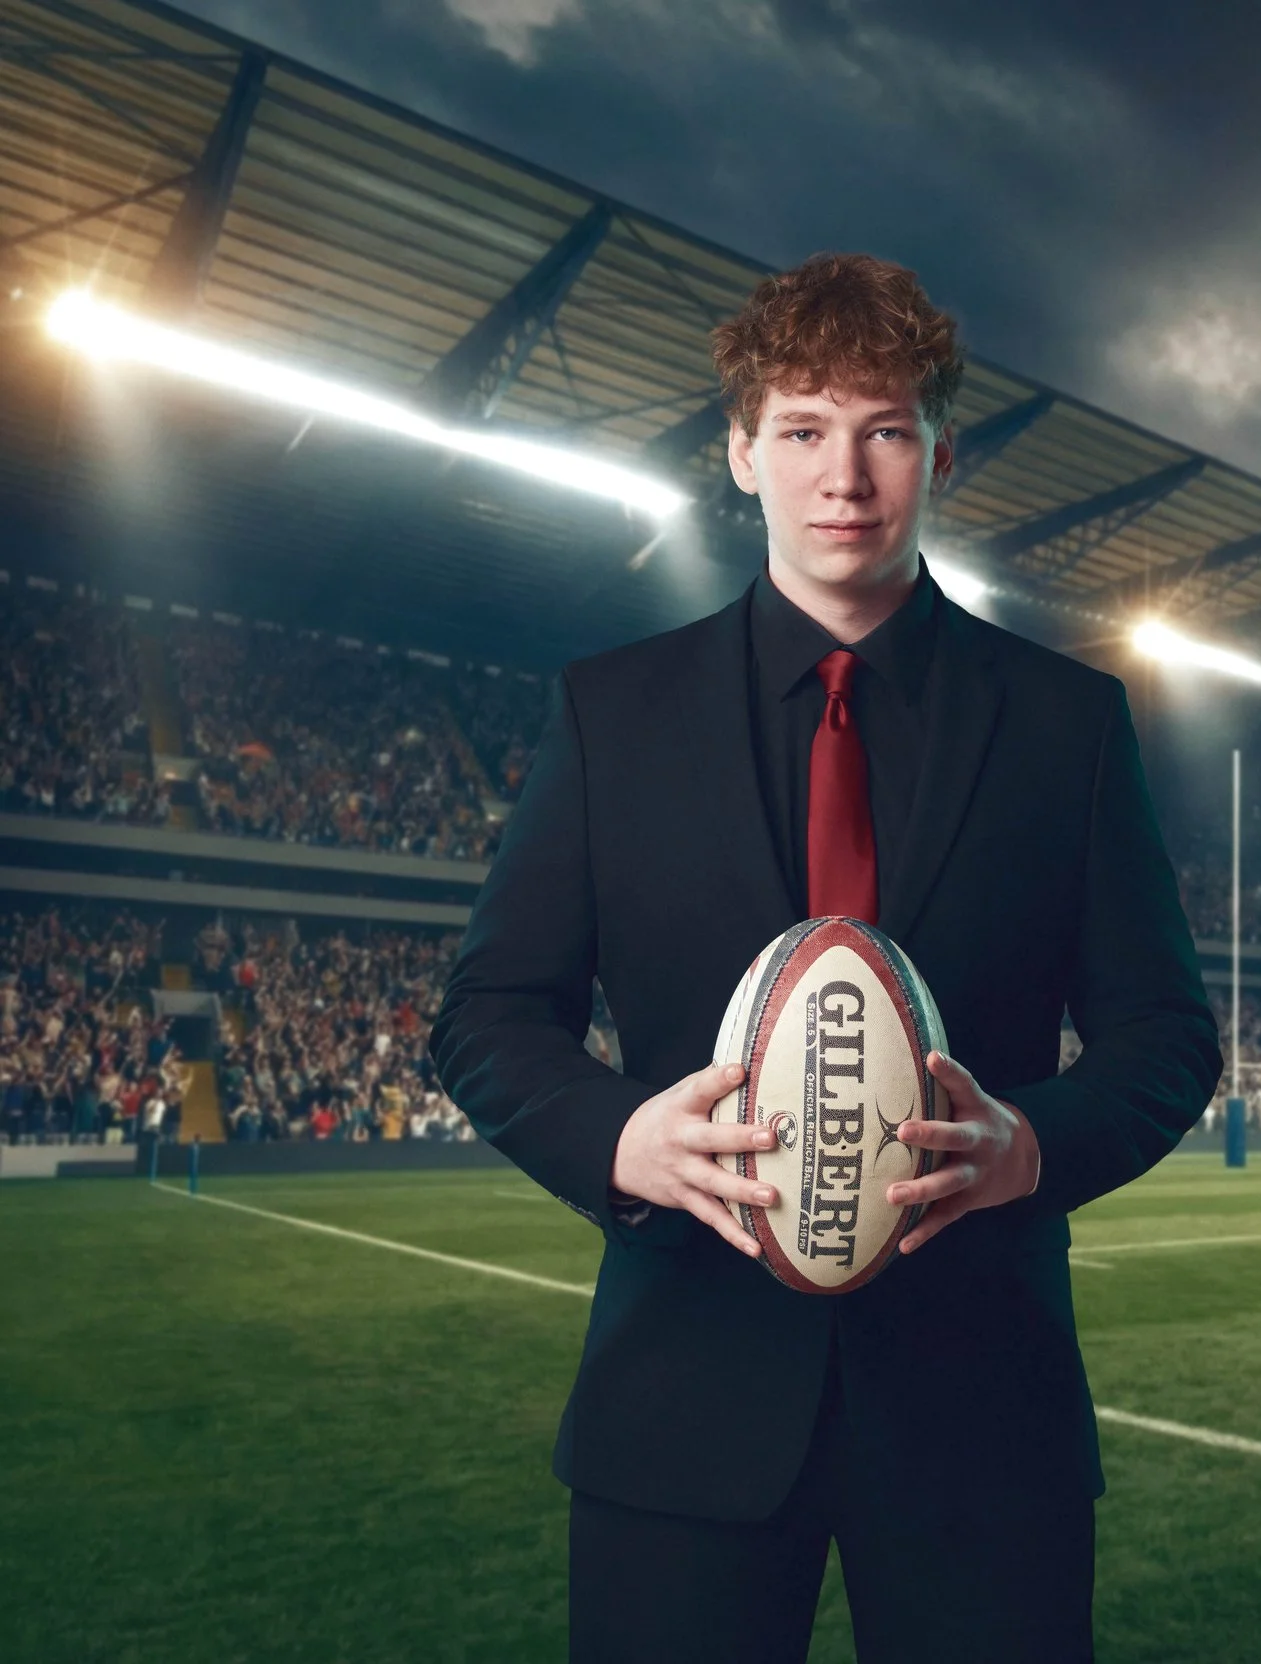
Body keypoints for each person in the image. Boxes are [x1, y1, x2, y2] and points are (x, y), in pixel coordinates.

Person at [430, 251, 1220, 1663]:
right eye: (801, 430)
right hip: (681, 1415)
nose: (841, 476)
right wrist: (625, 1141)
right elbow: (489, 1010)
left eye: (883, 431)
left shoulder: (1066, 724)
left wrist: (1028, 1148)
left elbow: (1167, 1037)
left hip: (986, 1417)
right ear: (742, 454)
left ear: (941, 452)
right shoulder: (615, 715)